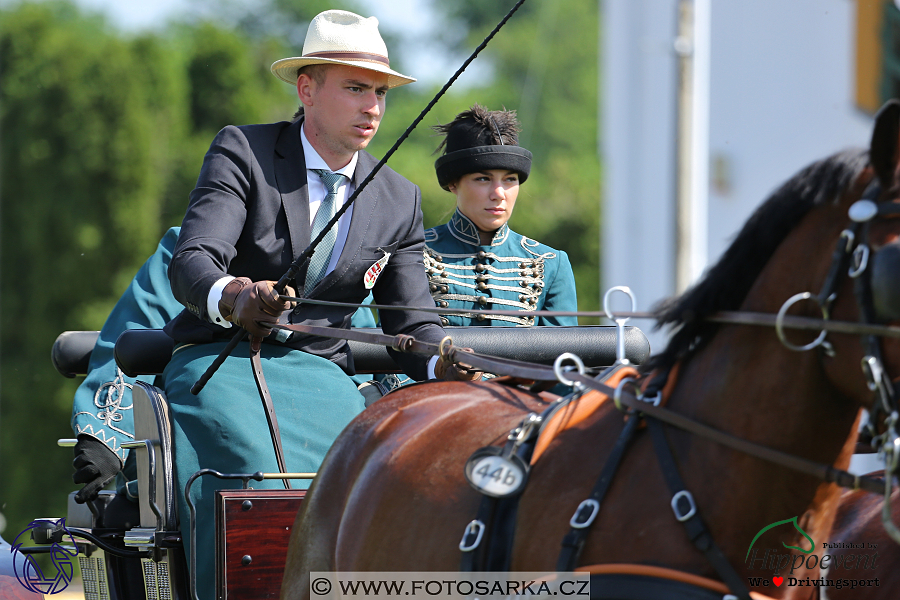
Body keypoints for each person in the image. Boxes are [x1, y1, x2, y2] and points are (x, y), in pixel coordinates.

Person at [161, 10, 474, 597]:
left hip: (324, 377)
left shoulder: (398, 198)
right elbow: (193, 260)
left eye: (380, 92)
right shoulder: (244, 151)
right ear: (307, 89)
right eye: (356, 88)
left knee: (369, 482)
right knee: (254, 477)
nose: (373, 107)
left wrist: (445, 362)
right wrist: (237, 295)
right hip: (217, 364)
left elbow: (414, 325)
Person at [374, 104, 578, 393]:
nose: (498, 194)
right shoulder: (409, 252)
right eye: (483, 179)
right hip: (421, 405)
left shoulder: (551, 262)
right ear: (453, 184)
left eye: (509, 180)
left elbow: (562, 372)